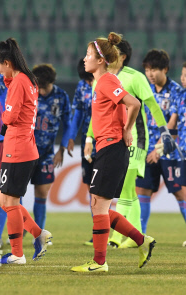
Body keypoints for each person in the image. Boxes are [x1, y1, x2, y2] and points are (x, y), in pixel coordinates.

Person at [71, 32, 155, 272]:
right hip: (108, 147)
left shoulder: (106, 81)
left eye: (88, 55)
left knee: (98, 205)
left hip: (111, 148)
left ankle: (99, 263)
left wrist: (127, 130)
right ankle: (142, 241)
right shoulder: (105, 82)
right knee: (101, 207)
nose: (84, 59)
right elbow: (120, 109)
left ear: (100, 60)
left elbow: (135, 104)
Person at [85, 39, 173, 249]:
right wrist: (89, 138)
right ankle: (138, 238)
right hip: (110, 141)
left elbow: (149, 104)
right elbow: (96, 113)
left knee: (123, 191)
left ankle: (116, 238)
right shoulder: (101, 79)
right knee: (128, 192)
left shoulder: (134, 77)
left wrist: (164, 131)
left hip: (134, 138)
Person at [0, 38, 52, 265]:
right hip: (20, 146)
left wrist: (3, 116)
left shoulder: (19, 83)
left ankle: (17, 254)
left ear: (7, 62)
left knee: (10, 201)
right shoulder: (25, 80)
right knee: (2, 198)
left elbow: (10, 117)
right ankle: (38, 234)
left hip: (18, 148)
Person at [137, 49, 186, 237]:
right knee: (143, 190)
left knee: (180, 193)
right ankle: (140, 235)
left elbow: (171, 124)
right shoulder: (145, 90)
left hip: (169, 151)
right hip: (147, 150)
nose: (150, 74)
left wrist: (159, 149)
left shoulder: (176, 91)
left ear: (165, 69)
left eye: (154, 69)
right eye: (147, 69)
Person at [30, 64, 71, 231]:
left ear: (52, 82)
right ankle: (19, 230)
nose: (42, 92)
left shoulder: (61, 97)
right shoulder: (29, 93)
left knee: (41, 193)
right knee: (14, 194)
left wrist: (61, 150)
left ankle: (39, 233)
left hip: (47, 153)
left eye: (45, 87)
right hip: (25, 152)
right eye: (39, 88)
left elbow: (68, 125)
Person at [67, 59, 96, 246]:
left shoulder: (107, 83)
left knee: (102, 190)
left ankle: (112, 232)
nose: (88, 82)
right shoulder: (81, 87)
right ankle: (99, 230)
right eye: (85, 79)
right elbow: (77, 113)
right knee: (91, 189)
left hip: (105, 143)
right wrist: (71, 136)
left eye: (89, 78)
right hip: (87, 143)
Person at [162, 61, 186, 248]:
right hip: (183, 153)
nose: (183, 79)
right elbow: (173, 123)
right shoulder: (182, 97)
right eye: (183, 75)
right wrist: (162, 143)